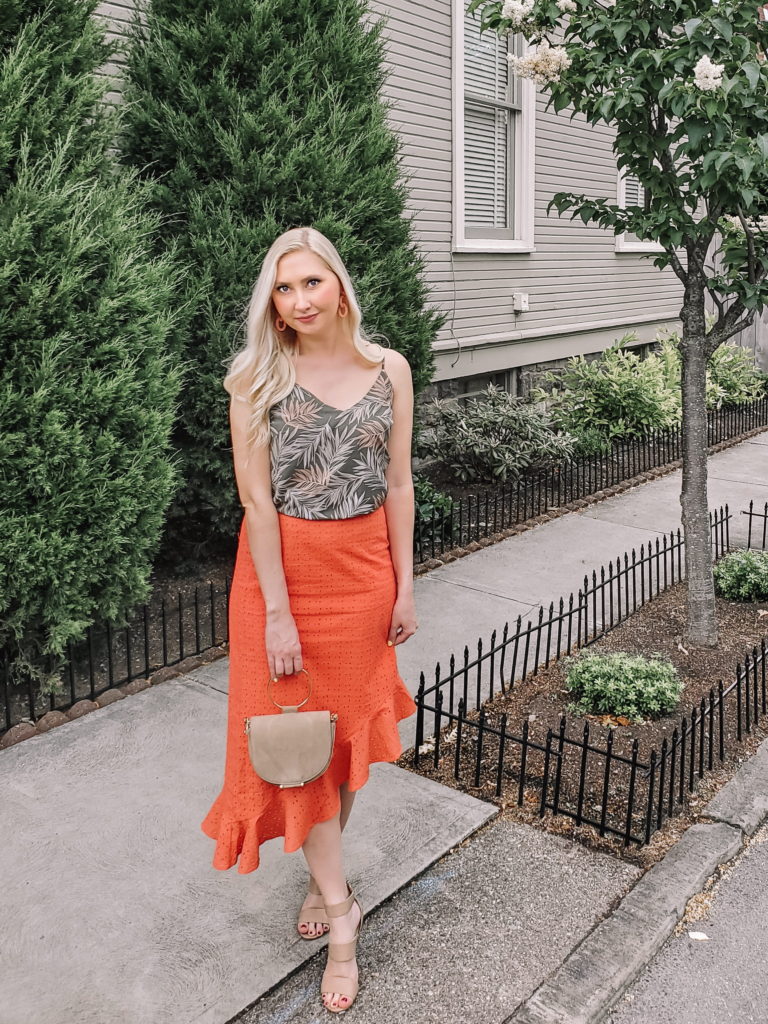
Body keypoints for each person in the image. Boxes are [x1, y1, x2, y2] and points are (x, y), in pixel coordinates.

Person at [200, 226, 419, 1013]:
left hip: (364, 577)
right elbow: (257, 503)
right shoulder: (255, 378)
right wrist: (279, 616)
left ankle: (325, 882)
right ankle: (342, 917)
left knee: (344, 737)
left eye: (311, 284)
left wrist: (405, 586)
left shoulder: (388, 370)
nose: (298, 302)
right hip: (279, 581)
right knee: (289, 749)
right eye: (284, 290)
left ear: (340, 285)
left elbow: (398, 485)